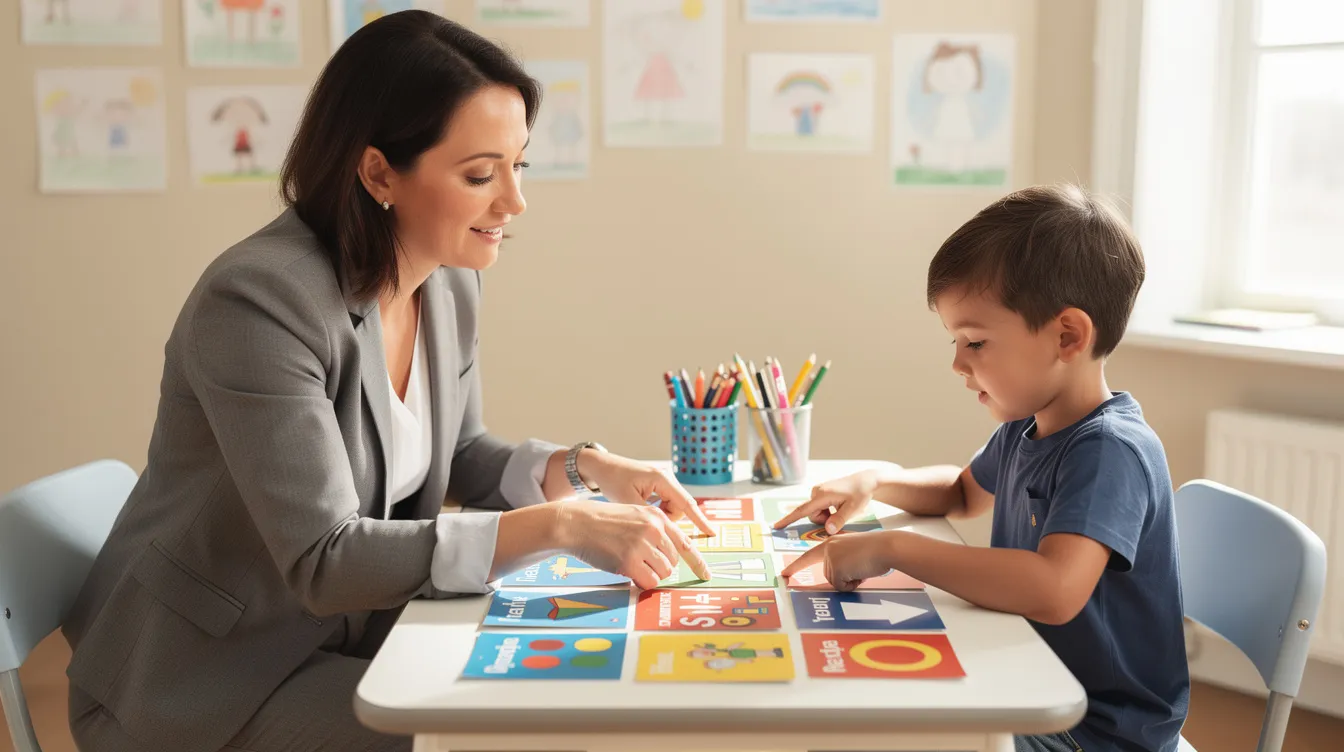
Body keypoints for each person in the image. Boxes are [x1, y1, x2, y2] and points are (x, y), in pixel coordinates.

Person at [62, 12, 712, 752]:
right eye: (479, 174)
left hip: (345, 638)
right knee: (486, 735)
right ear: (378, 172)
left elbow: (461, 454)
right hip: (205, 680)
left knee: (552, 695)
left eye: (518, 165)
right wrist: (557, 527)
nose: (514, 202)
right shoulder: (258, 303)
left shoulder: (445, 281)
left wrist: (581, 468)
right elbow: (323, 559)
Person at [779, 184, 1190, 752]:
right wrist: (875, 479)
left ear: (1067, 336)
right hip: (1032, 685)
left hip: (1093, 734)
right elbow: (959, 492)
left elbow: (1055, 589)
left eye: (974, 341)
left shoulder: (1109, 450)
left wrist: (895, 550)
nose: (956, 362)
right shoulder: (1031, 426)